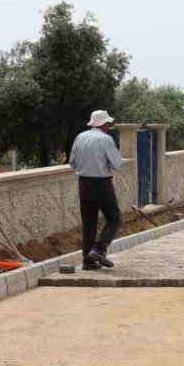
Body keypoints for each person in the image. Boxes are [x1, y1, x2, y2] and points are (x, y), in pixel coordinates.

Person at [70, 110, 124, 270]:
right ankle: (99, 250)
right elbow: (117, 164)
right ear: (104, 124)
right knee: (115, 218)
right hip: (101, 183)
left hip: (84, 183)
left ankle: (88, 261)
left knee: (89, 223)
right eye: (108, 123)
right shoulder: (105, 139)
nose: (109, 126)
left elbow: (72, 162)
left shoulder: (80, 137)